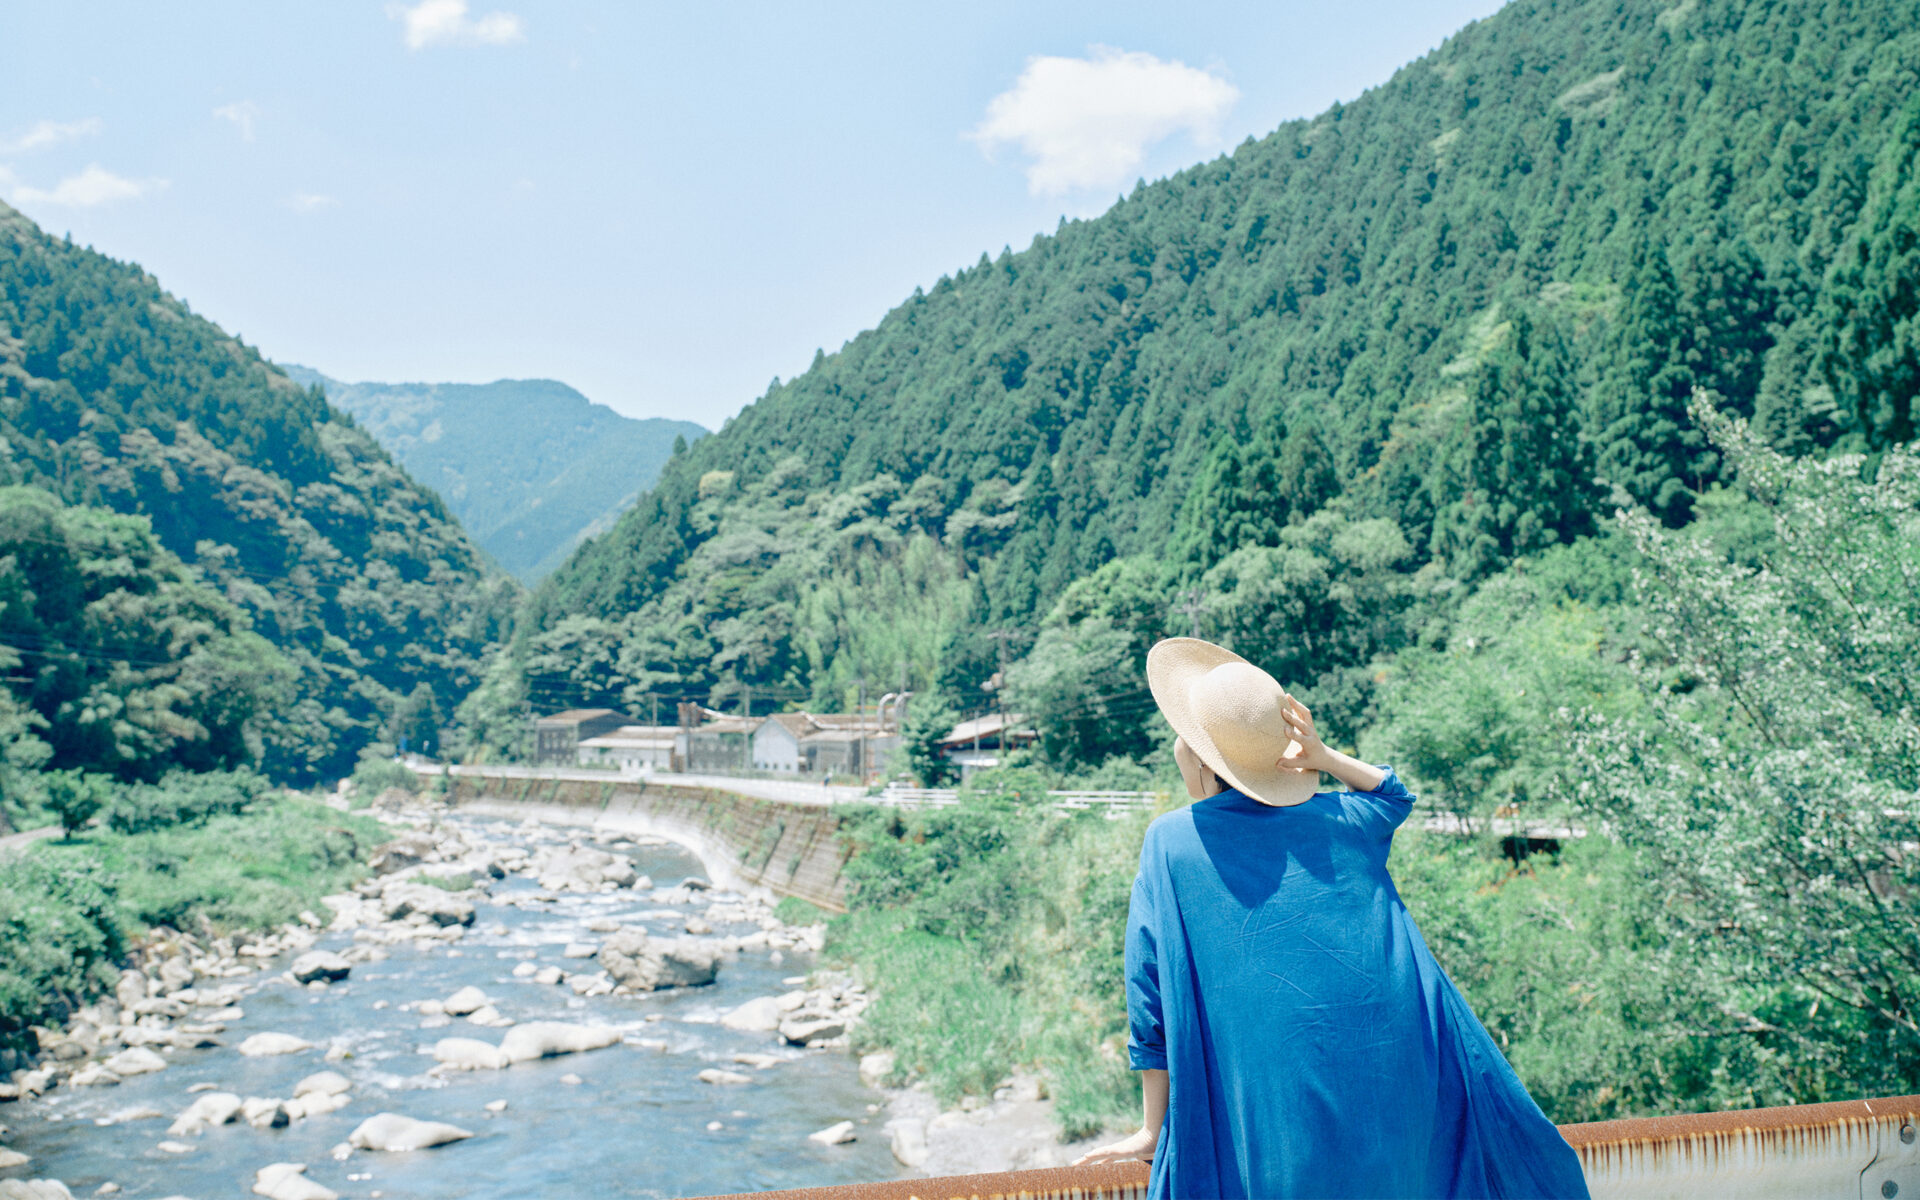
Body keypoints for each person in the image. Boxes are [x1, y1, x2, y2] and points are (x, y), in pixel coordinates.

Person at [1074, 637, 1589, 1199]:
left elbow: (1150, 1002)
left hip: (1273, 1098)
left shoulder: (1172, 843)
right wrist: (1323, 758)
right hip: (1397, 1076)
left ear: (1199, 756)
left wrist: (1153, 1128)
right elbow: (1394, 794)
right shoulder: (1346, 819)